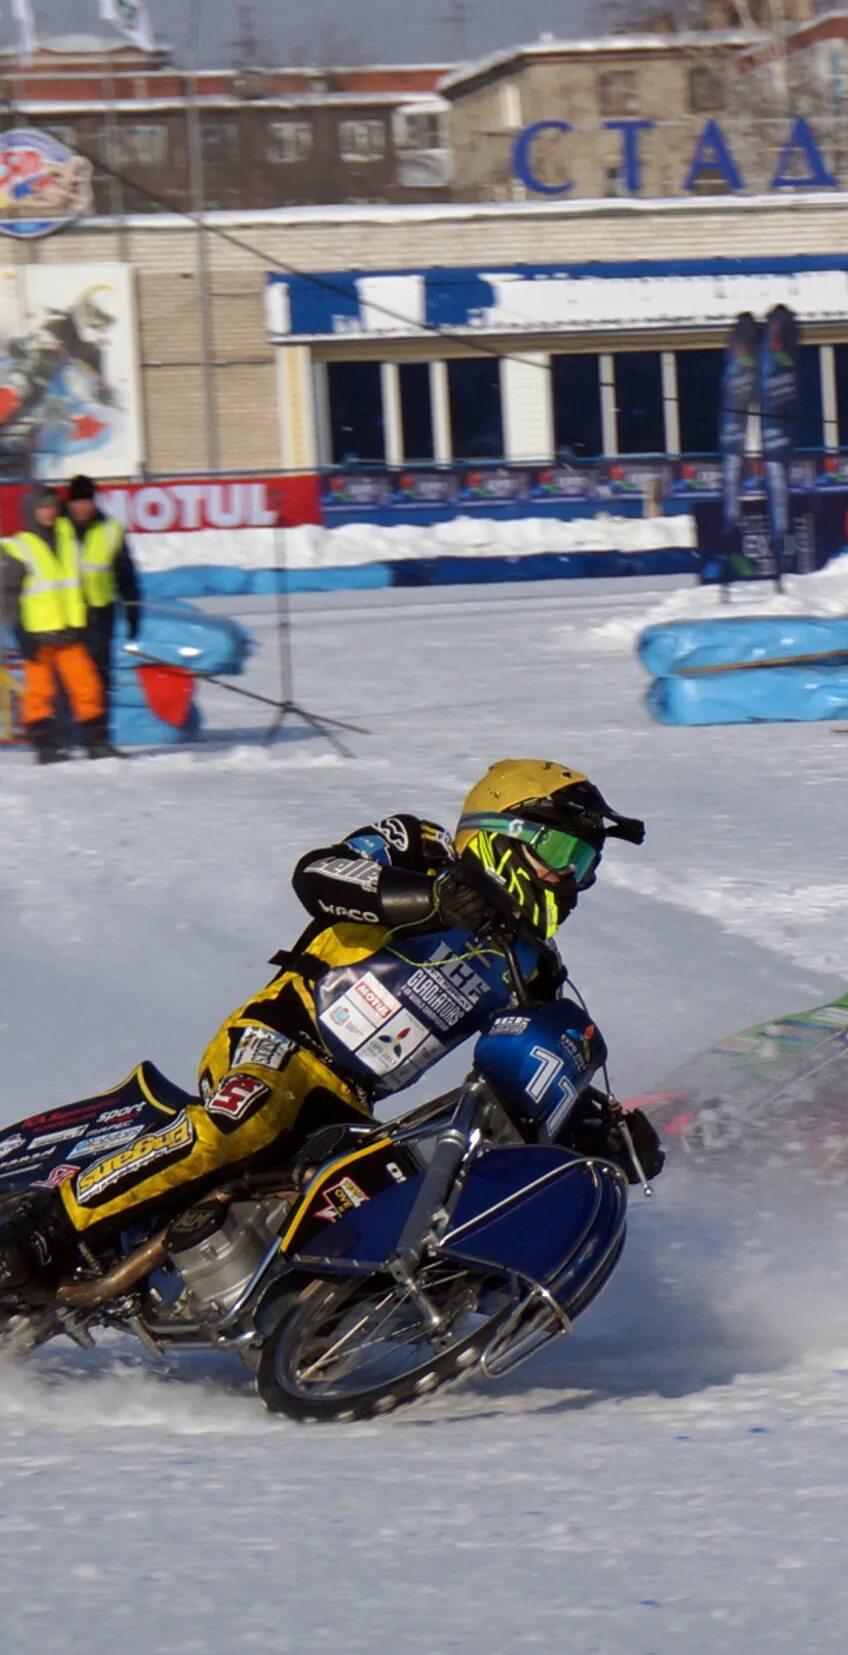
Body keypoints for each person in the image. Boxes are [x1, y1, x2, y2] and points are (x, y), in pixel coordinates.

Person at [0, 762, 652, 1295]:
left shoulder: (531, 966)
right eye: (560, 851)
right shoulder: (418, 846)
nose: (569, 877)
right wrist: (432, 900)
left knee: (382, 1212)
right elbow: (317, 875)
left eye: (584, 861)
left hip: (347, 1108)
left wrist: (594, 1127)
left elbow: (525, 1063)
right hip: (281, 1040)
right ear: (500, 832)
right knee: (245, 1120)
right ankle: (47, 1225)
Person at [6, 486, 114, 764]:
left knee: (88, 687)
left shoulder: (69, 542)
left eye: (53, 506)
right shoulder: (19, 547)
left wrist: (87, 621)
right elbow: (7, 595)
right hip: (37, 636)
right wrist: (20, 632)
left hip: (69, 633)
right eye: (42, 507)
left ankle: (97, 743)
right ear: (30, 511)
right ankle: (46, 748)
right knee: (39, 694)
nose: (49, 512)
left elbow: (78, 585)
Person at [64, 474, 139, 686]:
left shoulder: (110, 529)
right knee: (70, 679)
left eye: (87, 502)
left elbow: (125, 574)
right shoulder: (58, 529)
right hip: (66, 615)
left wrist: (132, 610)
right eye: (78, 502)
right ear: (70, 503)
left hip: (100, 613)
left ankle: (101, 706)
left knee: (98, 676)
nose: (83, 508)